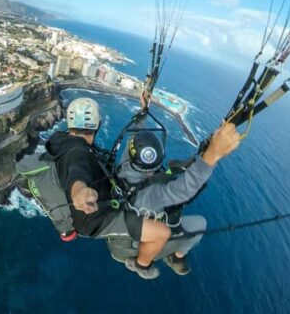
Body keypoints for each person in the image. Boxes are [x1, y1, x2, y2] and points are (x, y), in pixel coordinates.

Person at [115, 94, 242, 275]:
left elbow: (134, 137)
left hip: (124, 224)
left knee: (175, 171)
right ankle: (172, 258)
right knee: (200, 225)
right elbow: (184, 190)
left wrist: (143, 112)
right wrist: (212, 154)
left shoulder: (125, 165)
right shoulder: (153, 195)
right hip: (134, 245)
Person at [46, 97, 171, 280]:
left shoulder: (64, 142)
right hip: (93, 219)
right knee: (162, 233)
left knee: (130, 160)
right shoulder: (78, 153)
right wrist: (79, 193)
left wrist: (142, 114)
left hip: (101, 194)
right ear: (98, 125)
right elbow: (77, 172)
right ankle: (141, 265)